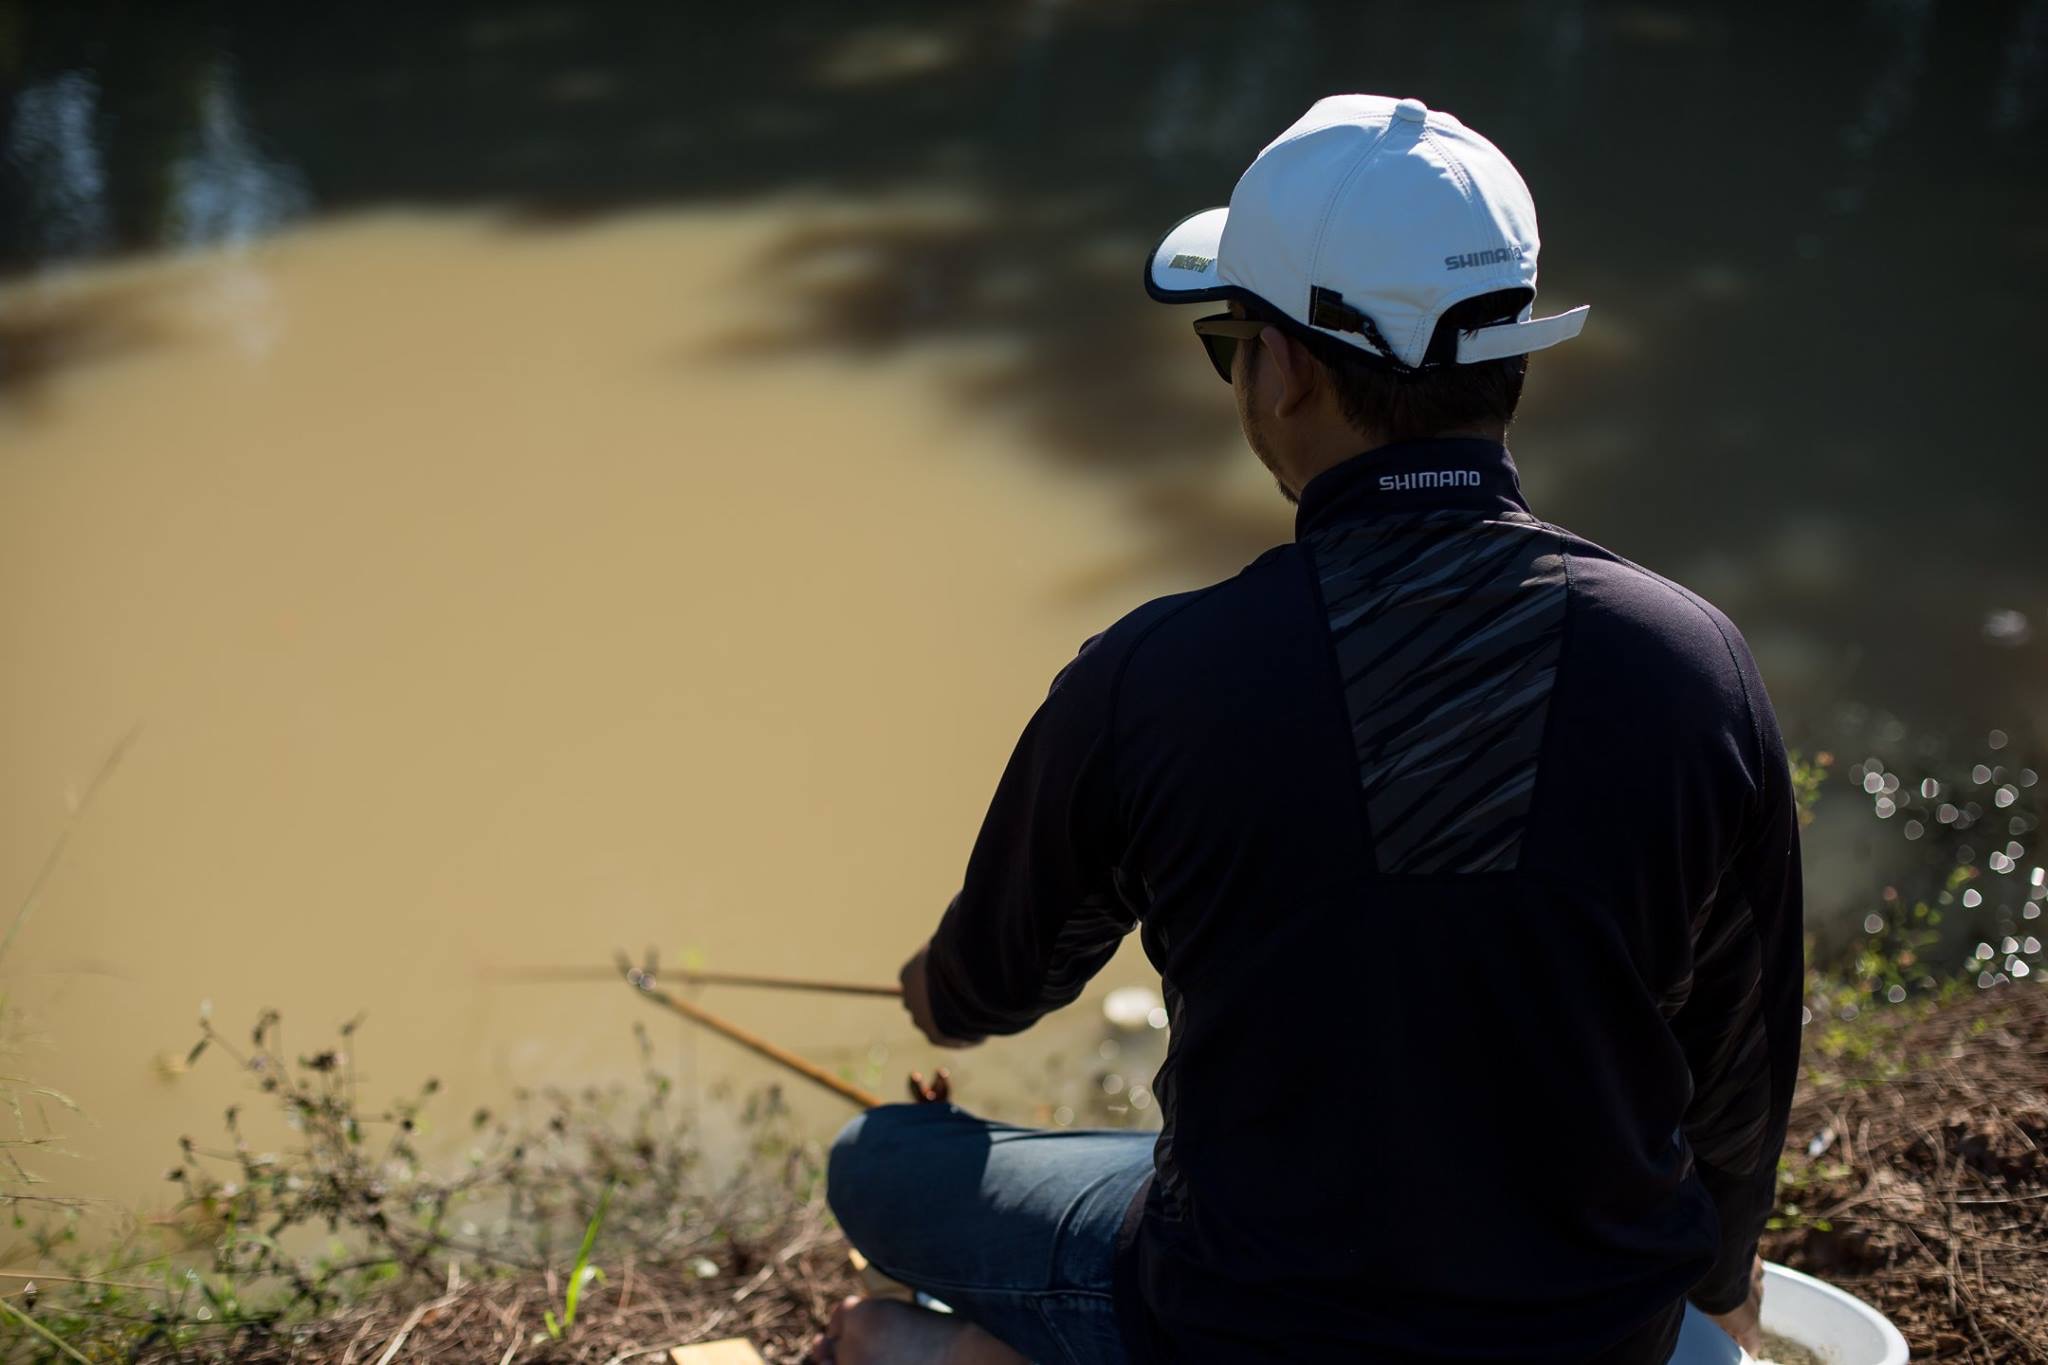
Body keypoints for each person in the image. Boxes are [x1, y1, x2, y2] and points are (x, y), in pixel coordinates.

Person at [812, 93, 1802, 1365]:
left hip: (1240, 1325)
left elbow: (1010, 973)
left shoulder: (1151, 676)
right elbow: (1740, 1048)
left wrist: (935, 992)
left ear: (1281, 368)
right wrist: (1716, 1287)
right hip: (1586, 1332)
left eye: (1226, 342)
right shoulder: (1695, 666)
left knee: (880, 1163)